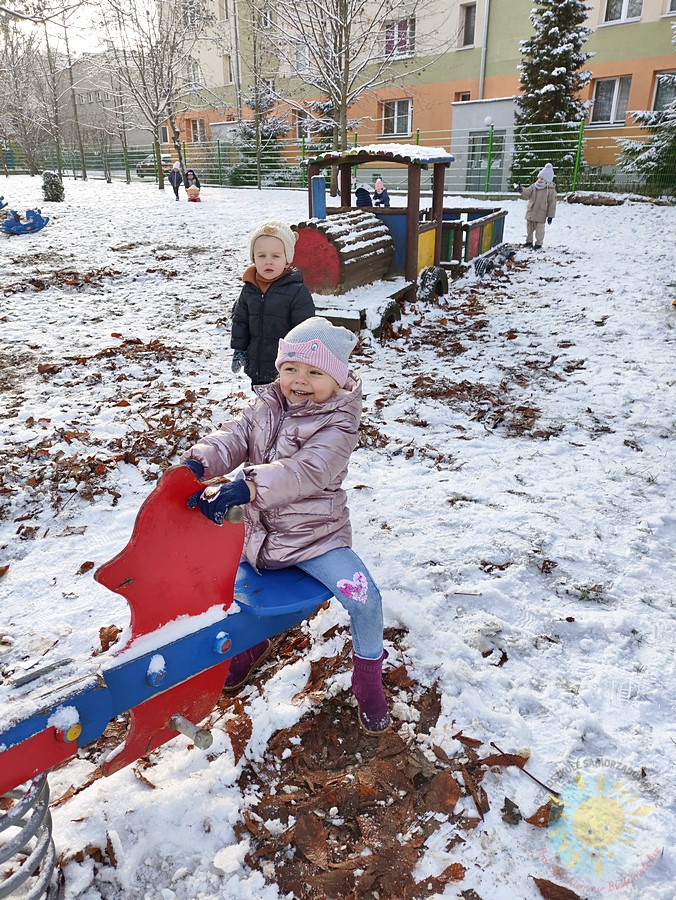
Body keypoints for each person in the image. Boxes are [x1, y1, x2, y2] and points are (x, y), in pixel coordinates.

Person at [181, 317, 390, 734]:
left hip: (317, 537)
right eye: (291, 368)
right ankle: (250, 643)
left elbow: (308, 470)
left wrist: (248, 487)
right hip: (260, 535)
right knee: (234, 591)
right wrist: (200, 462)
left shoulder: (339, 421)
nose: (300, 380)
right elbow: (236, 436)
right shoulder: (267, 404)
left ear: (338, 378)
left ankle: (368, 680)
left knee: (366, 599)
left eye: (316, 372)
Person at [230, 220, 315, 386]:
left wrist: (301, 359)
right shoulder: (249, 288)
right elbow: (240, 321)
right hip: (256, 361)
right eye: (261, 256)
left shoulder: (296, 292)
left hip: (287, 367)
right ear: (254, 257)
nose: (268, 261)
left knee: (284, 404)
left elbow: (305, 329)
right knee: (262, 402)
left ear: (287, 259)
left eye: (276, 256)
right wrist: (239, 349)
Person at [514, 162, 557, 249]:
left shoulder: (550, 190)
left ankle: (538, 243)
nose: (540, 180)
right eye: (539, 178)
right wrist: (521, 190)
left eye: (542, 179)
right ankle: (529, 241)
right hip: (531, 211)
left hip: (541, 213)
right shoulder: (534, 186)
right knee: (529, 228)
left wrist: (550, 216)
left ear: (547, 180)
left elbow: (552, 204)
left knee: (539, 230)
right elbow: (528, 193)